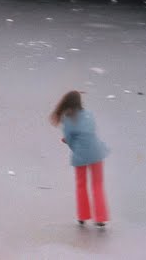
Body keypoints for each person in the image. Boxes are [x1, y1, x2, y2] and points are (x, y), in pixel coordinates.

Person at [49, 90, 110, 227]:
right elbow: (91, 132)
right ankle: (100, 218)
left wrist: (69, 143)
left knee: (81, 185)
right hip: (97, 152)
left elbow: (70, 139)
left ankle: (83, 216)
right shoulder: (89, 114)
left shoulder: (67, 119)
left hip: (81, 156)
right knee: (97, 185)